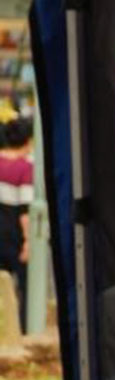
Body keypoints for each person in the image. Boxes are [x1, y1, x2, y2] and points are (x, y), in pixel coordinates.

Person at [0, 114, 34, 334]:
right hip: (14, 238)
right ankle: (23, 331)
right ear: (28, 141)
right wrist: (28, 242)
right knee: (26, 286)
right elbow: (25, 212)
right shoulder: (25, 168)